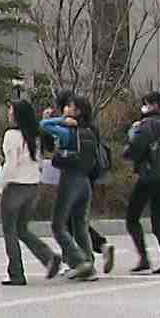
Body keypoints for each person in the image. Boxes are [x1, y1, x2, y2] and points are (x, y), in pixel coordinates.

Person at [0, 100, 60, 285]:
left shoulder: (11, 135)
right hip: (33, 186)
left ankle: (16, 273)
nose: (8, 113)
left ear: (17, 115)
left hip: (15, 187)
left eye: (11, 110)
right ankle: (49, 257)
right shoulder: (35, 135)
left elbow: (10, 165)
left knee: (9, 231)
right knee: (22, 229)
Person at [41, 94, 100, 280]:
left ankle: (79, 262)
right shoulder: (89, 132)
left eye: (70, 107)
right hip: (85, 181)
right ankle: (89, 263)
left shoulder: (69, 133)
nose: (66, 109)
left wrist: (58, 120)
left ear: (77, 112)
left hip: (69, 180)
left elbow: (43, 126)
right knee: (80, 224)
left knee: (58, 225)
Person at [125, 92, 160, 275]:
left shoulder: (146, 124)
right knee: (158, 219)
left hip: (148, 175)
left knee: (132, 217)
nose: (144, 107)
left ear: (154, 105)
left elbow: (135, 149)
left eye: (147, 103)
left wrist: (130, 140)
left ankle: (144, 258)